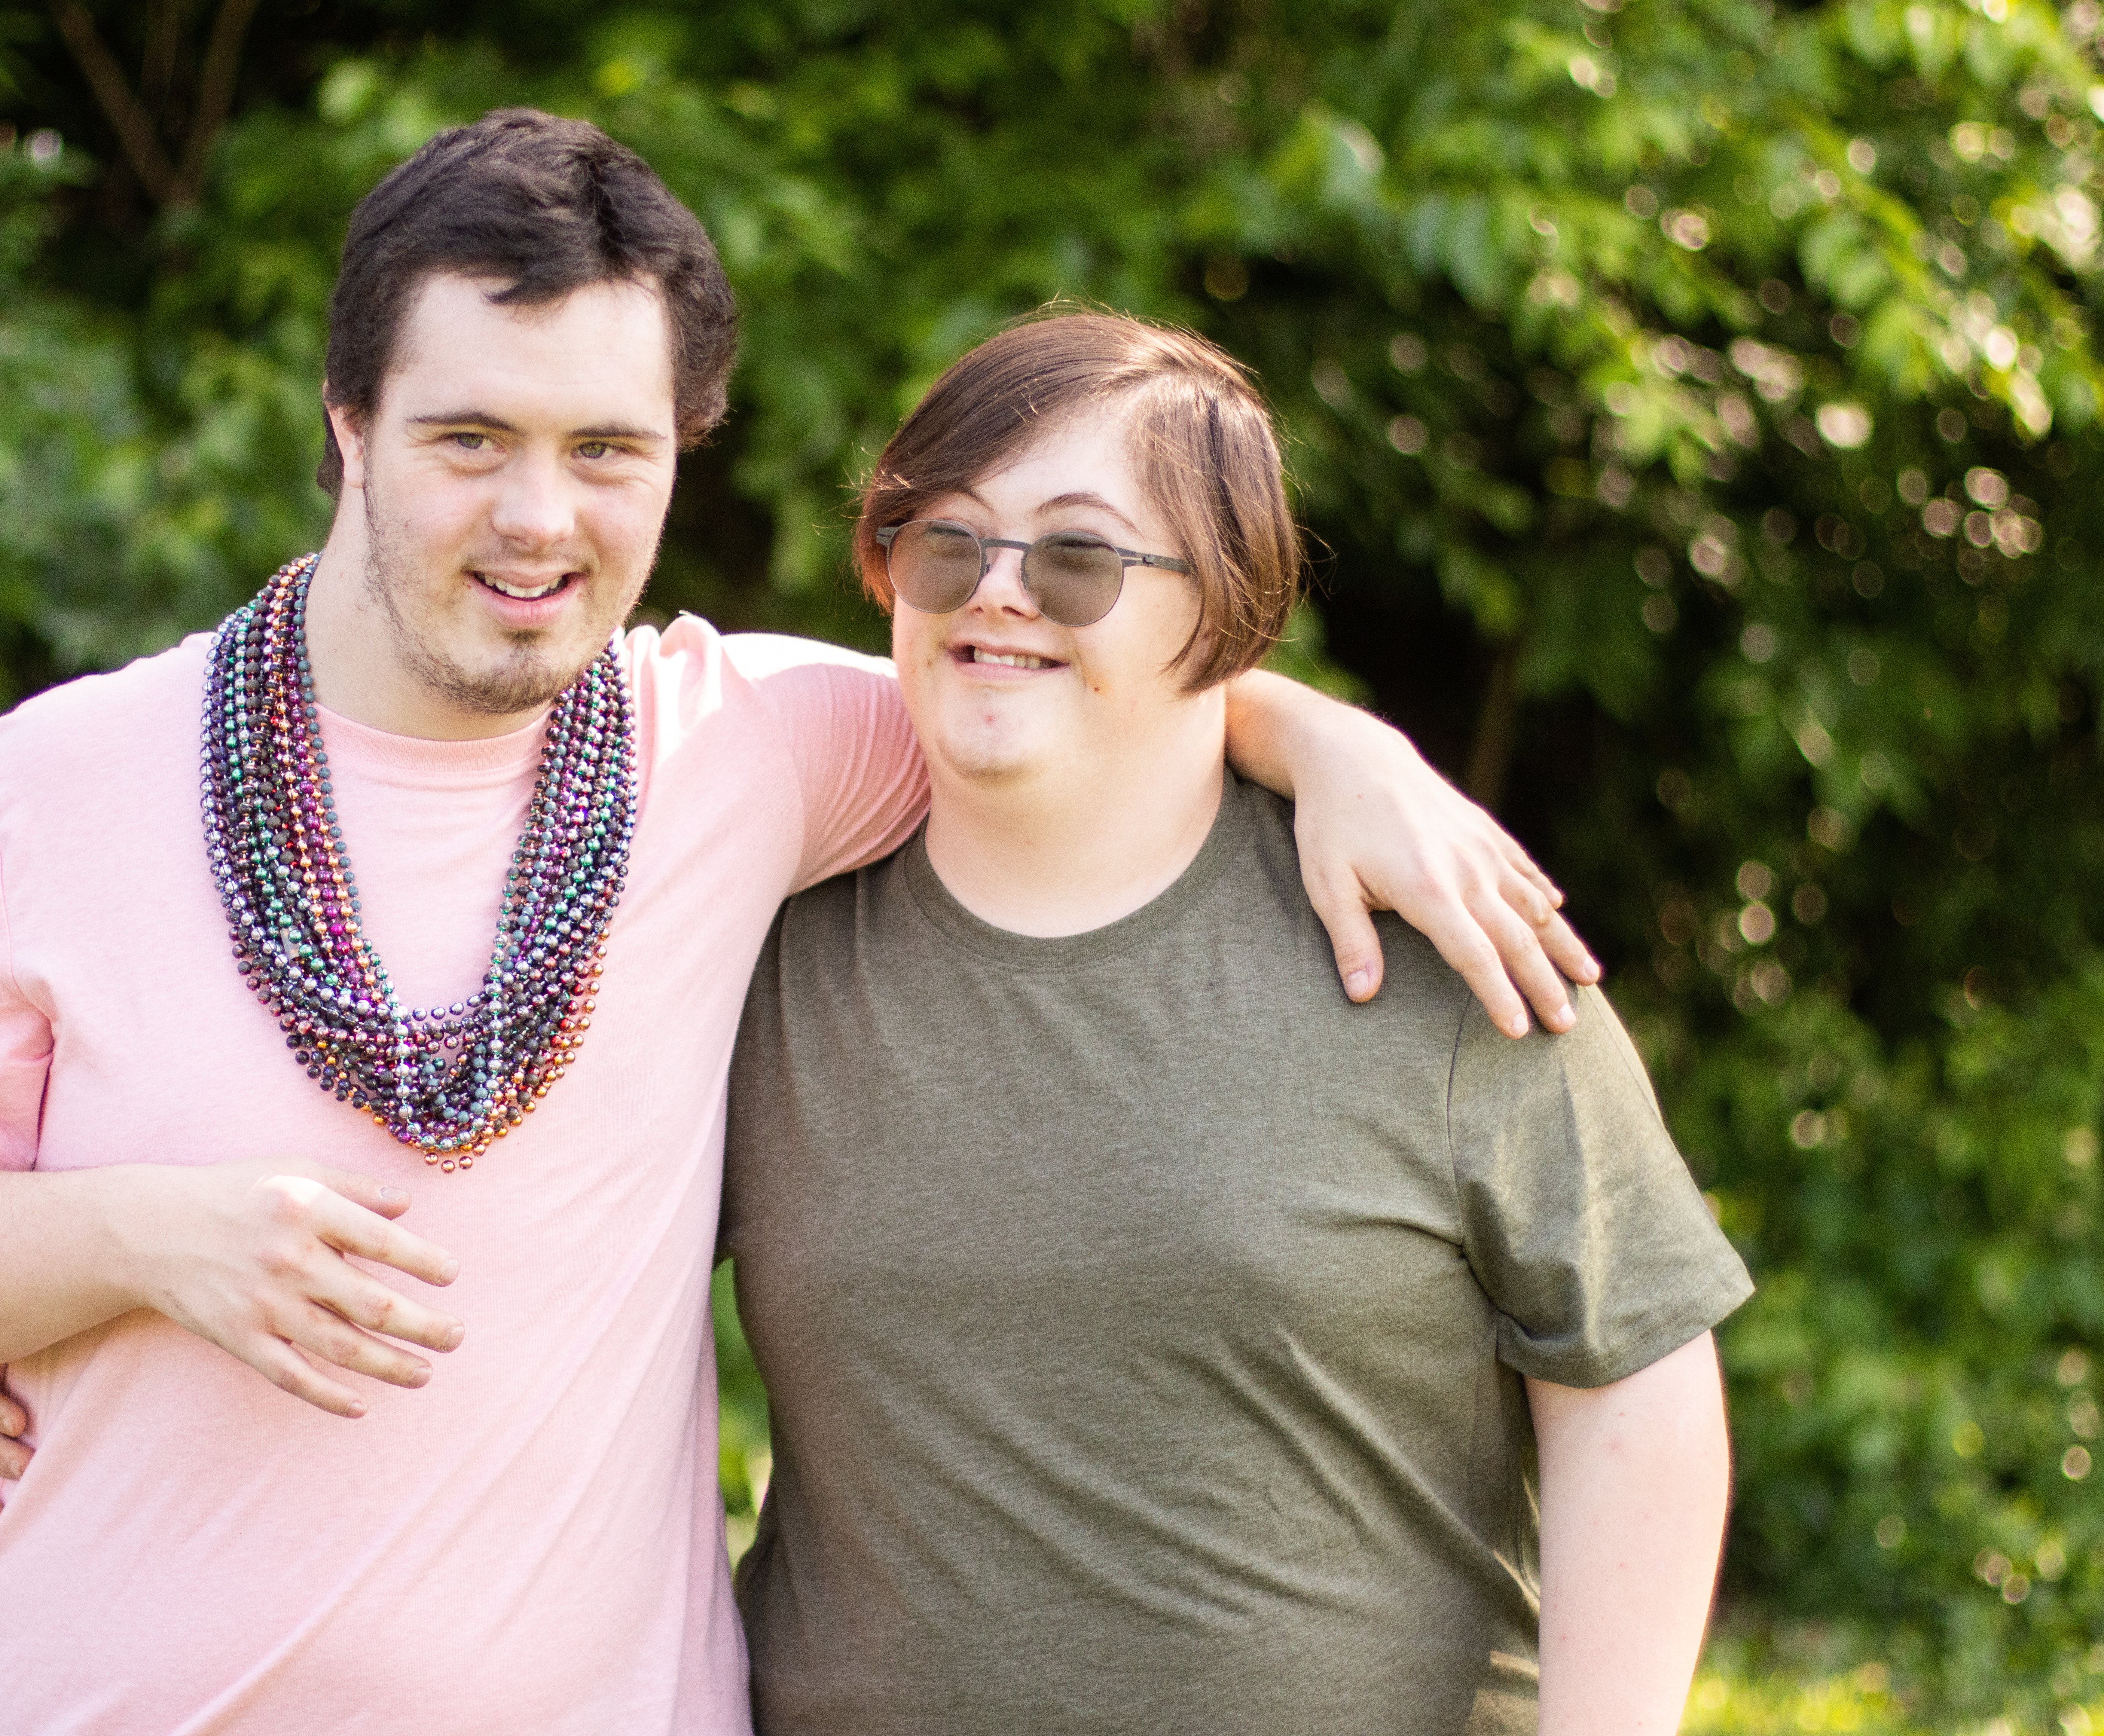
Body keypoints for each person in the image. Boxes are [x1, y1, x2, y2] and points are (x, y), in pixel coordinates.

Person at [0, 112, 1596, 1733]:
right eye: (469, 438)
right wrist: (136, 1241)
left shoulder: (738, 748)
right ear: (348, 426)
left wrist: (1327, 740)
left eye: (608, 448)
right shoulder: (56, 782)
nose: (538, 517)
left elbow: (1053, 680)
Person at [717, 312, 1750, 1735]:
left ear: (1223, 610)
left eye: (1079, 557)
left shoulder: (1431, 933)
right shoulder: (759, 949)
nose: (998, 594)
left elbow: (1634, 1379)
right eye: (945, 542)